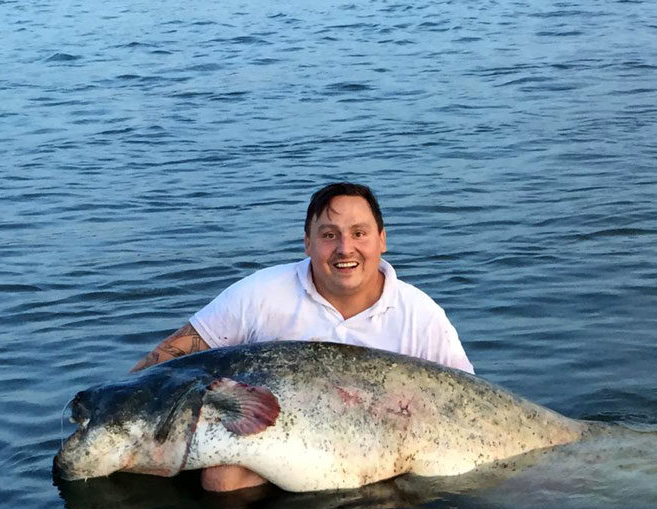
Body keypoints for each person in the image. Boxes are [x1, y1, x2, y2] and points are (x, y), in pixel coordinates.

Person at [131, 182, 473, 492]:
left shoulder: (421, 315)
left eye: (359, 233)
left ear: (382, 239)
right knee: (222, 479)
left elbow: (470, 402)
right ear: (307, 242)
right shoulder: (258, 294)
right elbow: (169, 358)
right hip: (284, 460)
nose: (345, 248)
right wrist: (124, 410)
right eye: (329, 235)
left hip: (388, 460)